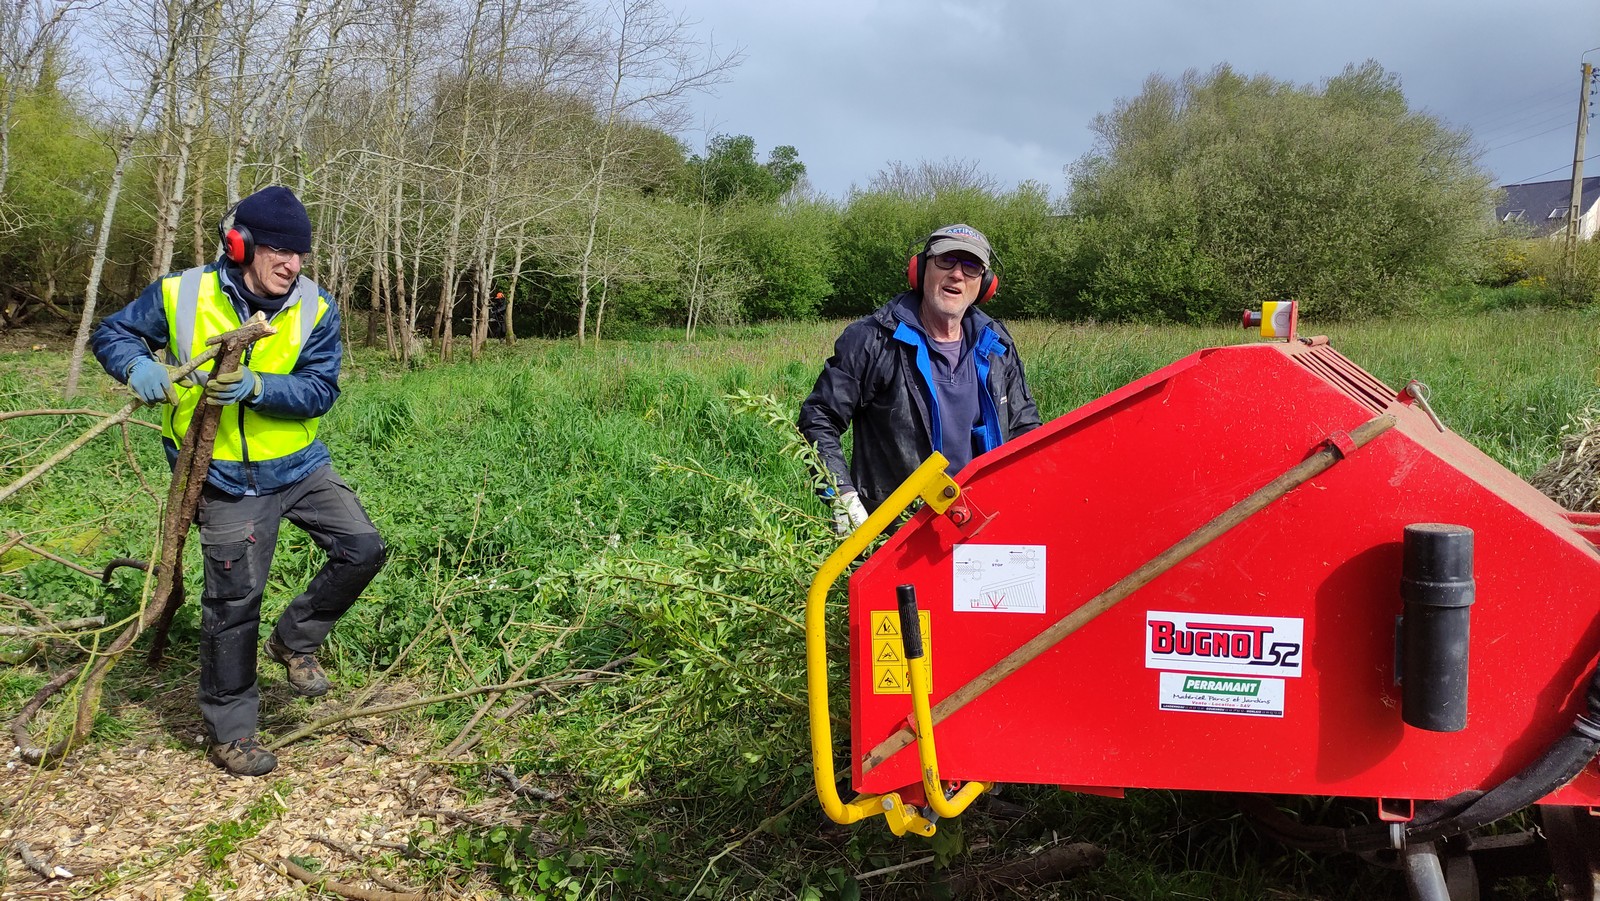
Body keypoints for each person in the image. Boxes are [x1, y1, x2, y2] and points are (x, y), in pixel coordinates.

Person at [90, 185, 386, 777]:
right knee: (233, 602)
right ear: (240, 243)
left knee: (363, 548)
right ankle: (232, 731)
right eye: (277, 250)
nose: (290, 264)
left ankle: (294, 640)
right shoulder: (182, 293)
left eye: (299, 254)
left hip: (300, 468)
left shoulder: (315, 308)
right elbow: (113, 333)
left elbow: (321, 390)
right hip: (222, 478)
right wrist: (136, 364)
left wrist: (258, 387)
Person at [798, 224, 1041, 531]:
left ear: (985, 284)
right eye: (946, 261)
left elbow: (1025, 428)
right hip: (898, 532)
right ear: (921, 269)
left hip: (983, 523)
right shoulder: (873, 340)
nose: (957, 274)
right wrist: (840, 494)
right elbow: (818, 417)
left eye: (971, 266)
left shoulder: (997, 345)